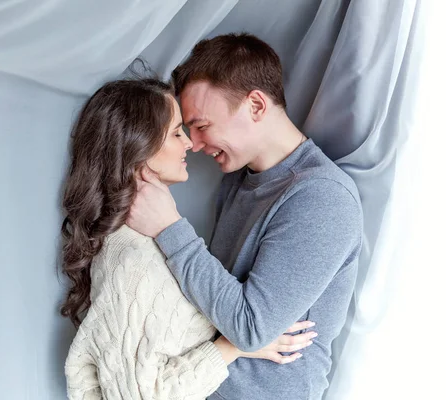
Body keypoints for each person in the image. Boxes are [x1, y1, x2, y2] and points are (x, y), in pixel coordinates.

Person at [127, 33, 364, 400]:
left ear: (255, 105)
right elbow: (220, 310)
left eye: (202, 126)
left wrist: (168, 228)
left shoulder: (323, 197)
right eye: (187, 131)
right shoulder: (238, 181)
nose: (196, 144)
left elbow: (250, 326)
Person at [61, 78, 317, 399]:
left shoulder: (152, 242)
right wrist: (232, 347)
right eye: (177, 132)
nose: (190, 144)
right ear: (138, 146)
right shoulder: (134, 259)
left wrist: (245, 338)